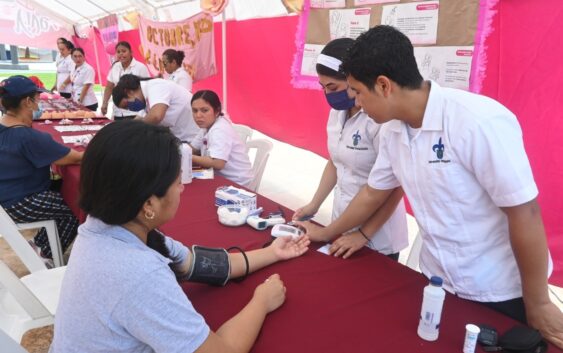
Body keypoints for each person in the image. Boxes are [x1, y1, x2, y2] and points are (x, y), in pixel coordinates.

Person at [296, 25, 563, 348]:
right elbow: (372, 193)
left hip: (500, 290)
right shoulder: (394, 131)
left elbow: (525, 214)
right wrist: (325, 233)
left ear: (383, 86)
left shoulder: (475, 121)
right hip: (440, 282)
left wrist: (538, 303)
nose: (355, 102)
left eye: (357, 92)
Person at [50, 120, 310, 353]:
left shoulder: (106, 223)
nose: (183, 188)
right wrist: (261, 301)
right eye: (177, 182)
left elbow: (199, 264)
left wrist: (274, 252)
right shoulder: (138, 273)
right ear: (149, 205)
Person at [292, 38, 408, 260]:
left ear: (352, 79)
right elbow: (336, 161)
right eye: (323, 87)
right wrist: (313, 206)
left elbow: (394, 187)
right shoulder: (338, 112)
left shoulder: (380, 119)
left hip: (377, 237)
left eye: (333, 87)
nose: (327, 94)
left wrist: (363, 234)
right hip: (343, 225)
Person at [0, 76, 82, 265]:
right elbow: (75, 157)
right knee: (76, 207)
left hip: (6, 198)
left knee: (60, 194)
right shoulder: (28, 137)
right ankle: (46, 255)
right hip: (18, 202)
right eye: (37, 98)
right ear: (28, 102)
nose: (39, 103)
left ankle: (39, 245)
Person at [190, 90, 253, 187]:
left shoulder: (219, 129)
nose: (198, 115)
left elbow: (218, 163)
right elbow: (192, 148)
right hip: (217, 177)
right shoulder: (207, 126)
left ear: (217, 110)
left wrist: (187, 156)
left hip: (237, 184)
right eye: (195, 110)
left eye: (204, 110)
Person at [112, 74, 200, 142]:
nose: (130, 109)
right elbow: (138, 120)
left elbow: (156, 116)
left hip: (193, 139)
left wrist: (135, 132)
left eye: (127, 105)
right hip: (182, 138)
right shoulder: (145, 99)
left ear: (129, 92)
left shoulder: (156, 86)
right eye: (127, 109)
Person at [101, 41, 150, 120]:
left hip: (135, 113)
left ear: (131, 52)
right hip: (118, 112)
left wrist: (142, 113)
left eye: (124, 51)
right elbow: (109, 87)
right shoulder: (115, 67)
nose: (121, 54)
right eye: (118, 52)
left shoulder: (140, 67)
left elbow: (146, 90)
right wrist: (105, 103)